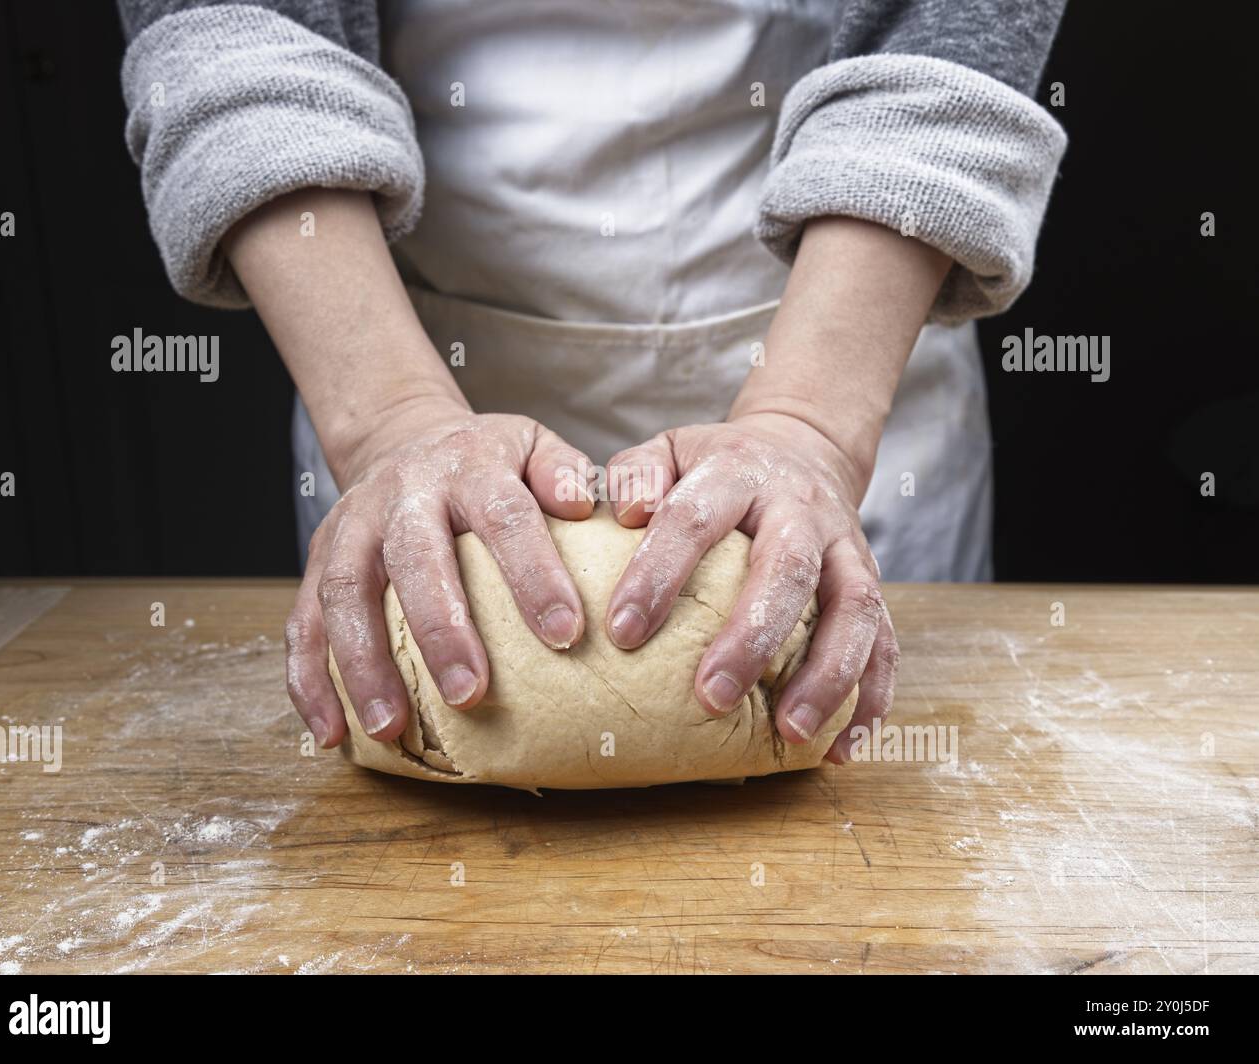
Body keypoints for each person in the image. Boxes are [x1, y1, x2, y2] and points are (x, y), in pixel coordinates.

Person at [117, 0, 1067, 761]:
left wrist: (809, 424)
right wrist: (388, 424)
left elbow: (954, 27)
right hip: (397, 346)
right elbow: (244, 38)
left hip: (846, 325)